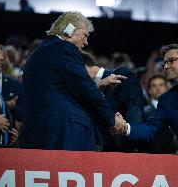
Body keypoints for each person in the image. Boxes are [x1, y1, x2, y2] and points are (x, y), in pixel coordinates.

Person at [20, 12, 118, 151]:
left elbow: (57, 87)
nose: (86, 43)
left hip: (42, 131)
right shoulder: (64, 48)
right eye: (85, 35)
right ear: (70, 30)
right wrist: (112, 119)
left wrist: (96, 85)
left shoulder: (44, 49)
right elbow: (86, 91)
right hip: (63, 131)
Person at [82, 51, 146, 152]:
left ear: (82, 67)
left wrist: (134, 148)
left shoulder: (121, 75)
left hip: (125, 152)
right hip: (98, 153)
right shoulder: (88, 90)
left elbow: (135, 112)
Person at [144, 75, 178, 154]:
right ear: (149, 90)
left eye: (161, 85)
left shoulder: (177, 109)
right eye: (154, 86)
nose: (158, 88)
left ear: (166, 88)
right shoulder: (144, 112)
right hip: (153, 155)